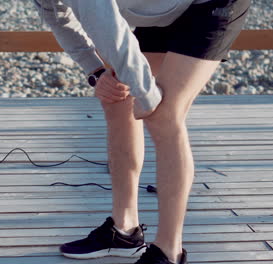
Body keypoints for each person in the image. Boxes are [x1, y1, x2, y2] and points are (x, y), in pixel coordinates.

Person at [33, 0, 250, 263]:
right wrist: (97, 72)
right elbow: (61, 21)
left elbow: (110, 31)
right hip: (160, 10)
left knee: (164, 115)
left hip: (208, 5)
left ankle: (169, 251)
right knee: (118, 99)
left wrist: (147, 97)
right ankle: (124, 230)